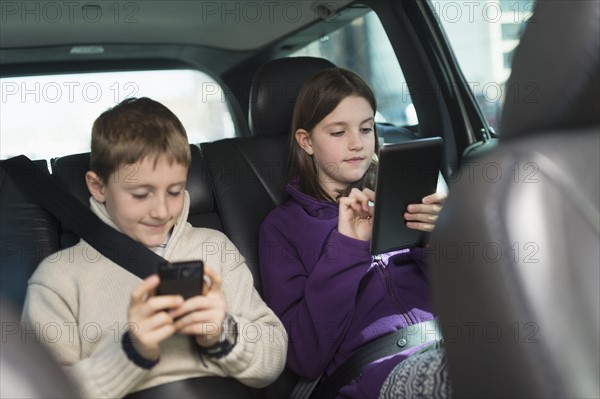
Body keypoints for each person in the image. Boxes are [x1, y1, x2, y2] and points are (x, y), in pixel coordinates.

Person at [21, 97, 287, 398]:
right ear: (98, 187)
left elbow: (273, 357)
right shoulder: (59, 278)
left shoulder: (215, 249)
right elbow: (40, 390)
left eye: (174, 191)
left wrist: (221, 333)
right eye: (140, 194)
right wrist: (131, 352)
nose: (161, 211)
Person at [258, 68, 450, 398]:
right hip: (372, 372)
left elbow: (466, 296)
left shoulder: (401, 195)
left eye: (365, 129)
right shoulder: (281, 228)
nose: (357, 143)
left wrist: (438, 238)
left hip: (446, 344)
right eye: (337, 132)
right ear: (306, 141)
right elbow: (305, 355)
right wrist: (347, 248)